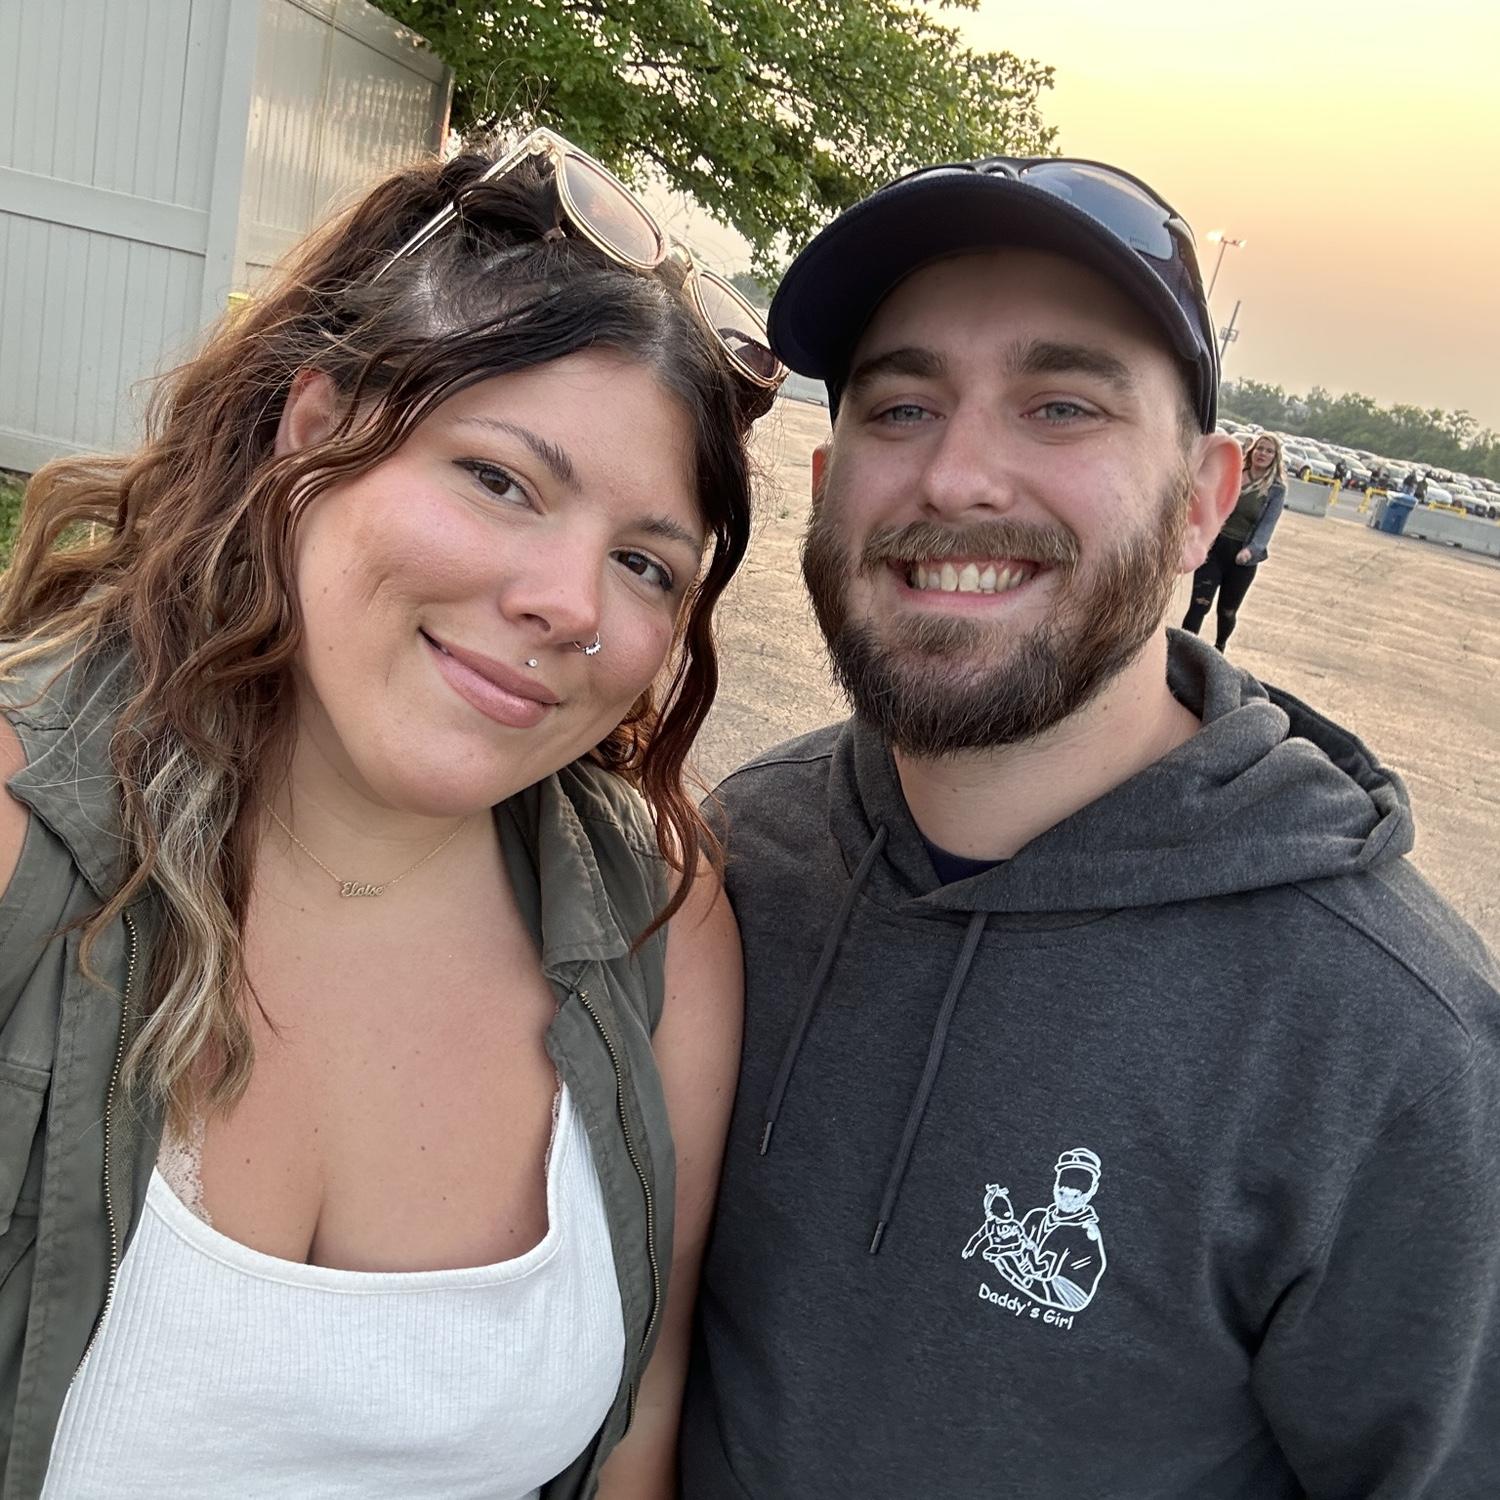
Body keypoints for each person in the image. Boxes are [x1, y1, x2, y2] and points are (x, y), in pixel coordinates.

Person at [679, 154, 1500, 1498]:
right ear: (826, 482)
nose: (956, 475)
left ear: (1203, 502)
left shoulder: (1394, 1053)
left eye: (1060, 405)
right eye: (902, 405)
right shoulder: (740, 861)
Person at [0, 125, 783, 1498]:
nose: (569, 602)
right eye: (499, 479)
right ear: (316, 429)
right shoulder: (19, 836)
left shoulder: (659, 927)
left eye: (646, 563)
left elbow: (636, 1446)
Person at [1180, 430, 1286, 651]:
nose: (1263, 454)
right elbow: (1212, 504)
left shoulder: (1276, 490)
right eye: (1260, 448)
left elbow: (1267, 525)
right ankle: (1183, 651)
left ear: (1275, 458)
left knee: (1227, 611)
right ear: (1252, 450)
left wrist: (1251, 550)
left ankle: (1220, 647)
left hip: (1242, 558)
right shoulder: (1235, 474)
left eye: (1269, 451)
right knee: (1200, 603)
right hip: (1215, 550)